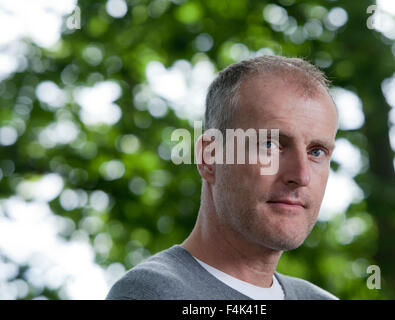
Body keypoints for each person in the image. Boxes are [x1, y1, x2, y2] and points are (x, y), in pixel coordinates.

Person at [106, 55, 339, 300]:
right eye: (270, 144)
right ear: (210, 157)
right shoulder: (151, 294)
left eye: (316, 152)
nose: (301, 175)